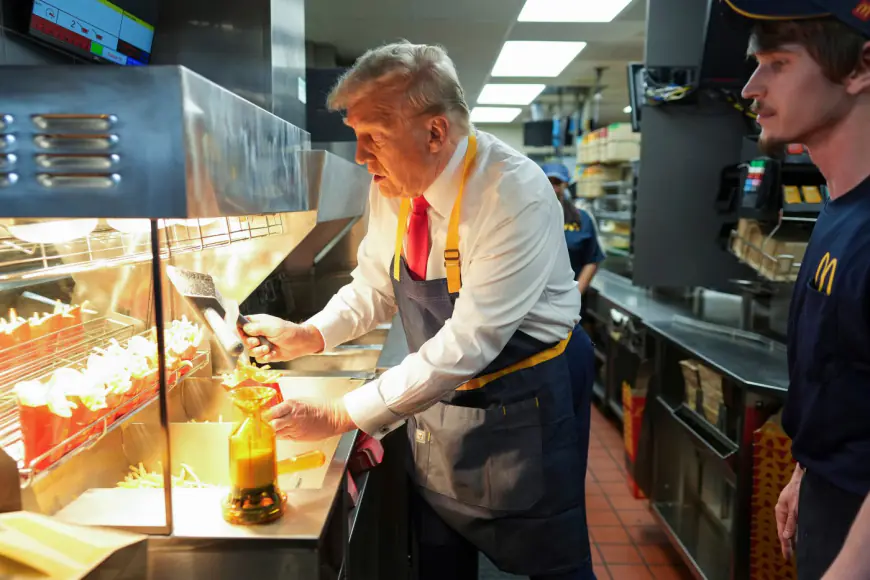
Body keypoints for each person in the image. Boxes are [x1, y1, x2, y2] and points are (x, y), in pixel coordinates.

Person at [240, 42, 596, 580]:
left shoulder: (512, 191)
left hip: (526, 395)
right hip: (439, 397)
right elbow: (374, 285)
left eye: (373, 138)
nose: (360, 157)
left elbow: (471, 341)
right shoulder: (396, 186)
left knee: (546, 560)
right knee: (439, 555)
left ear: (434, 132)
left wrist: (341, 414)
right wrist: (309, 335)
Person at [723, 1, 870, 578]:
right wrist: (808, 470)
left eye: (778, 63)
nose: (751, 88)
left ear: (860, 67)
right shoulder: (840, 206)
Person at [541, 162, 605, 295]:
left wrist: (574, 297)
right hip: (535, 302)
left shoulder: (582, 219)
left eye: (557, 183)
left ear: (565, 185)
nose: (553, 188)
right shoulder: (529, 217)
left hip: (569, 298)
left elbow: (592, 259)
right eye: (548, 182)